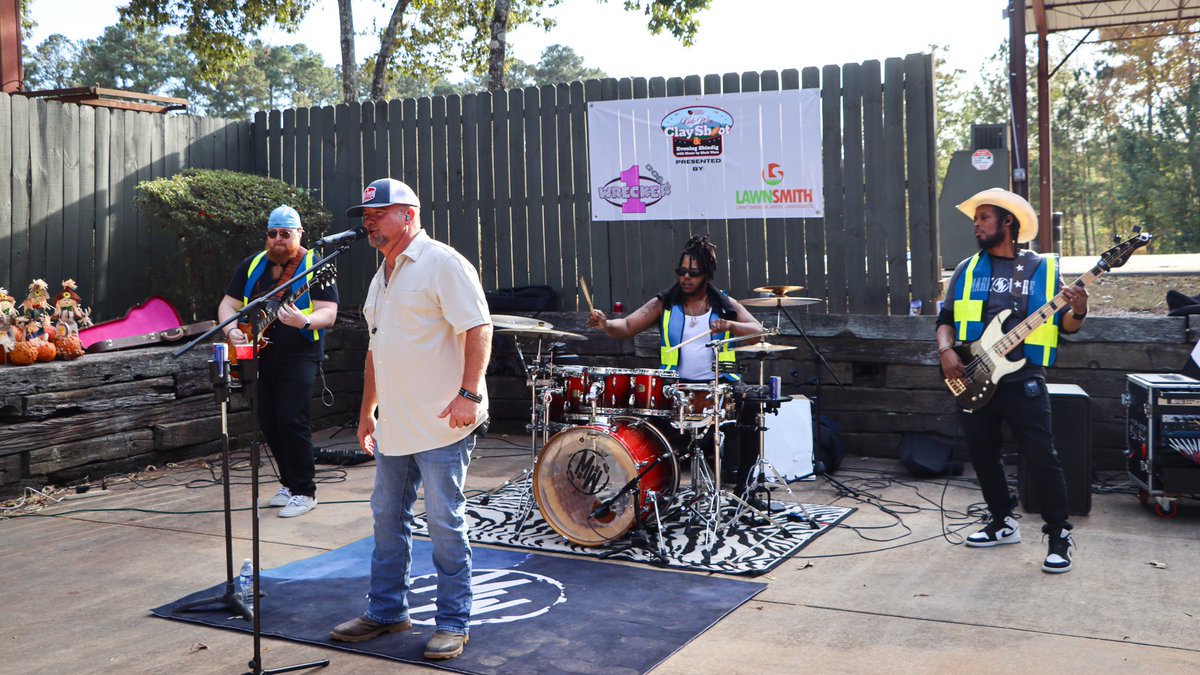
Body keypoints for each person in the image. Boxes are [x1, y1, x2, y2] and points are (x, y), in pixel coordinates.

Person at [330, 178, 492, 661]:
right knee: (386, 518)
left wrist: (469, 393)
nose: (368, 222)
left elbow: (479, 328)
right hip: (396, 425)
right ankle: (386, 612)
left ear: (409, 214)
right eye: (365, 215)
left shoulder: (443, 263)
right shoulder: (382, 277)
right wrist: (367, 412)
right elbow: (376, 352)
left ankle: (453, 622)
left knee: (444, 522)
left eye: (377, 213)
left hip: (443, 423)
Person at [936, 188, 1087, 574]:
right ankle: (1002, 521)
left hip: (1024, 379)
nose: (976, 225)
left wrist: (1079, 308)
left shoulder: (1042, 270)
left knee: (1041, 456)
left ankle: (1059, 535)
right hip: (973, 372)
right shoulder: (967, 268)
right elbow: (945, 319)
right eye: (976, 219)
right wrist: (946, 351)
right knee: (983, 454)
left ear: (1007, 222)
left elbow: (1067, 327)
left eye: (984, 218)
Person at [587, 234, 765, 499]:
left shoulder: (725, 305)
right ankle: (655, 490)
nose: (686, 278)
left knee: (752, 403)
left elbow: (758, 332)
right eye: (681, 271)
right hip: (675, 387)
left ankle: (745, 489)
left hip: (718, 385)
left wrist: (730, 325)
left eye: (693, 273)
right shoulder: (664, 303)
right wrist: (604, 324)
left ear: (706, 274)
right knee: (646, 422)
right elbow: (624, 327)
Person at [218, 205, 339, 518]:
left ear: (299, 234)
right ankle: (288, 483)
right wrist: (232, 330)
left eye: (286, 233)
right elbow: (228, 304)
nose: (278, 240)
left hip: (299, 353)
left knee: (291, 419)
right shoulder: (253, 264)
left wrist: (304, 321)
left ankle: (304, 491)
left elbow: (329, 312)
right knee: (268, 421)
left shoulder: (315, 265)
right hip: (258, 355)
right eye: (273, 234)